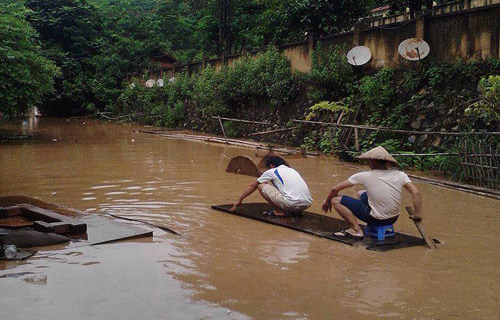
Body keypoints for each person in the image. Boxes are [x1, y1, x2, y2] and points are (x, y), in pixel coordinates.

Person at [322, 146, 422, 238]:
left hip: (377, 219)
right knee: (360, 193)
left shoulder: (364, 175)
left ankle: (355, 230)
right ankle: (373, 212)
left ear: (372, 161)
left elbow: (335, 189)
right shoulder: (400, 174)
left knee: (335, 199)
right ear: (386, 162)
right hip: (393, 218)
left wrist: (327, 202)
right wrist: (417, 214)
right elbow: (415, 192)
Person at [229, 155, 313, 216]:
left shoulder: (272, 171)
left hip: (291, 203)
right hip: (307, 203)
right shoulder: (292, 170)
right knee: (285, 187)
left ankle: (280, 211)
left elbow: (253, 186)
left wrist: (239, 200)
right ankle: (298, 211)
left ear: (271, 166)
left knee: (261, 186)